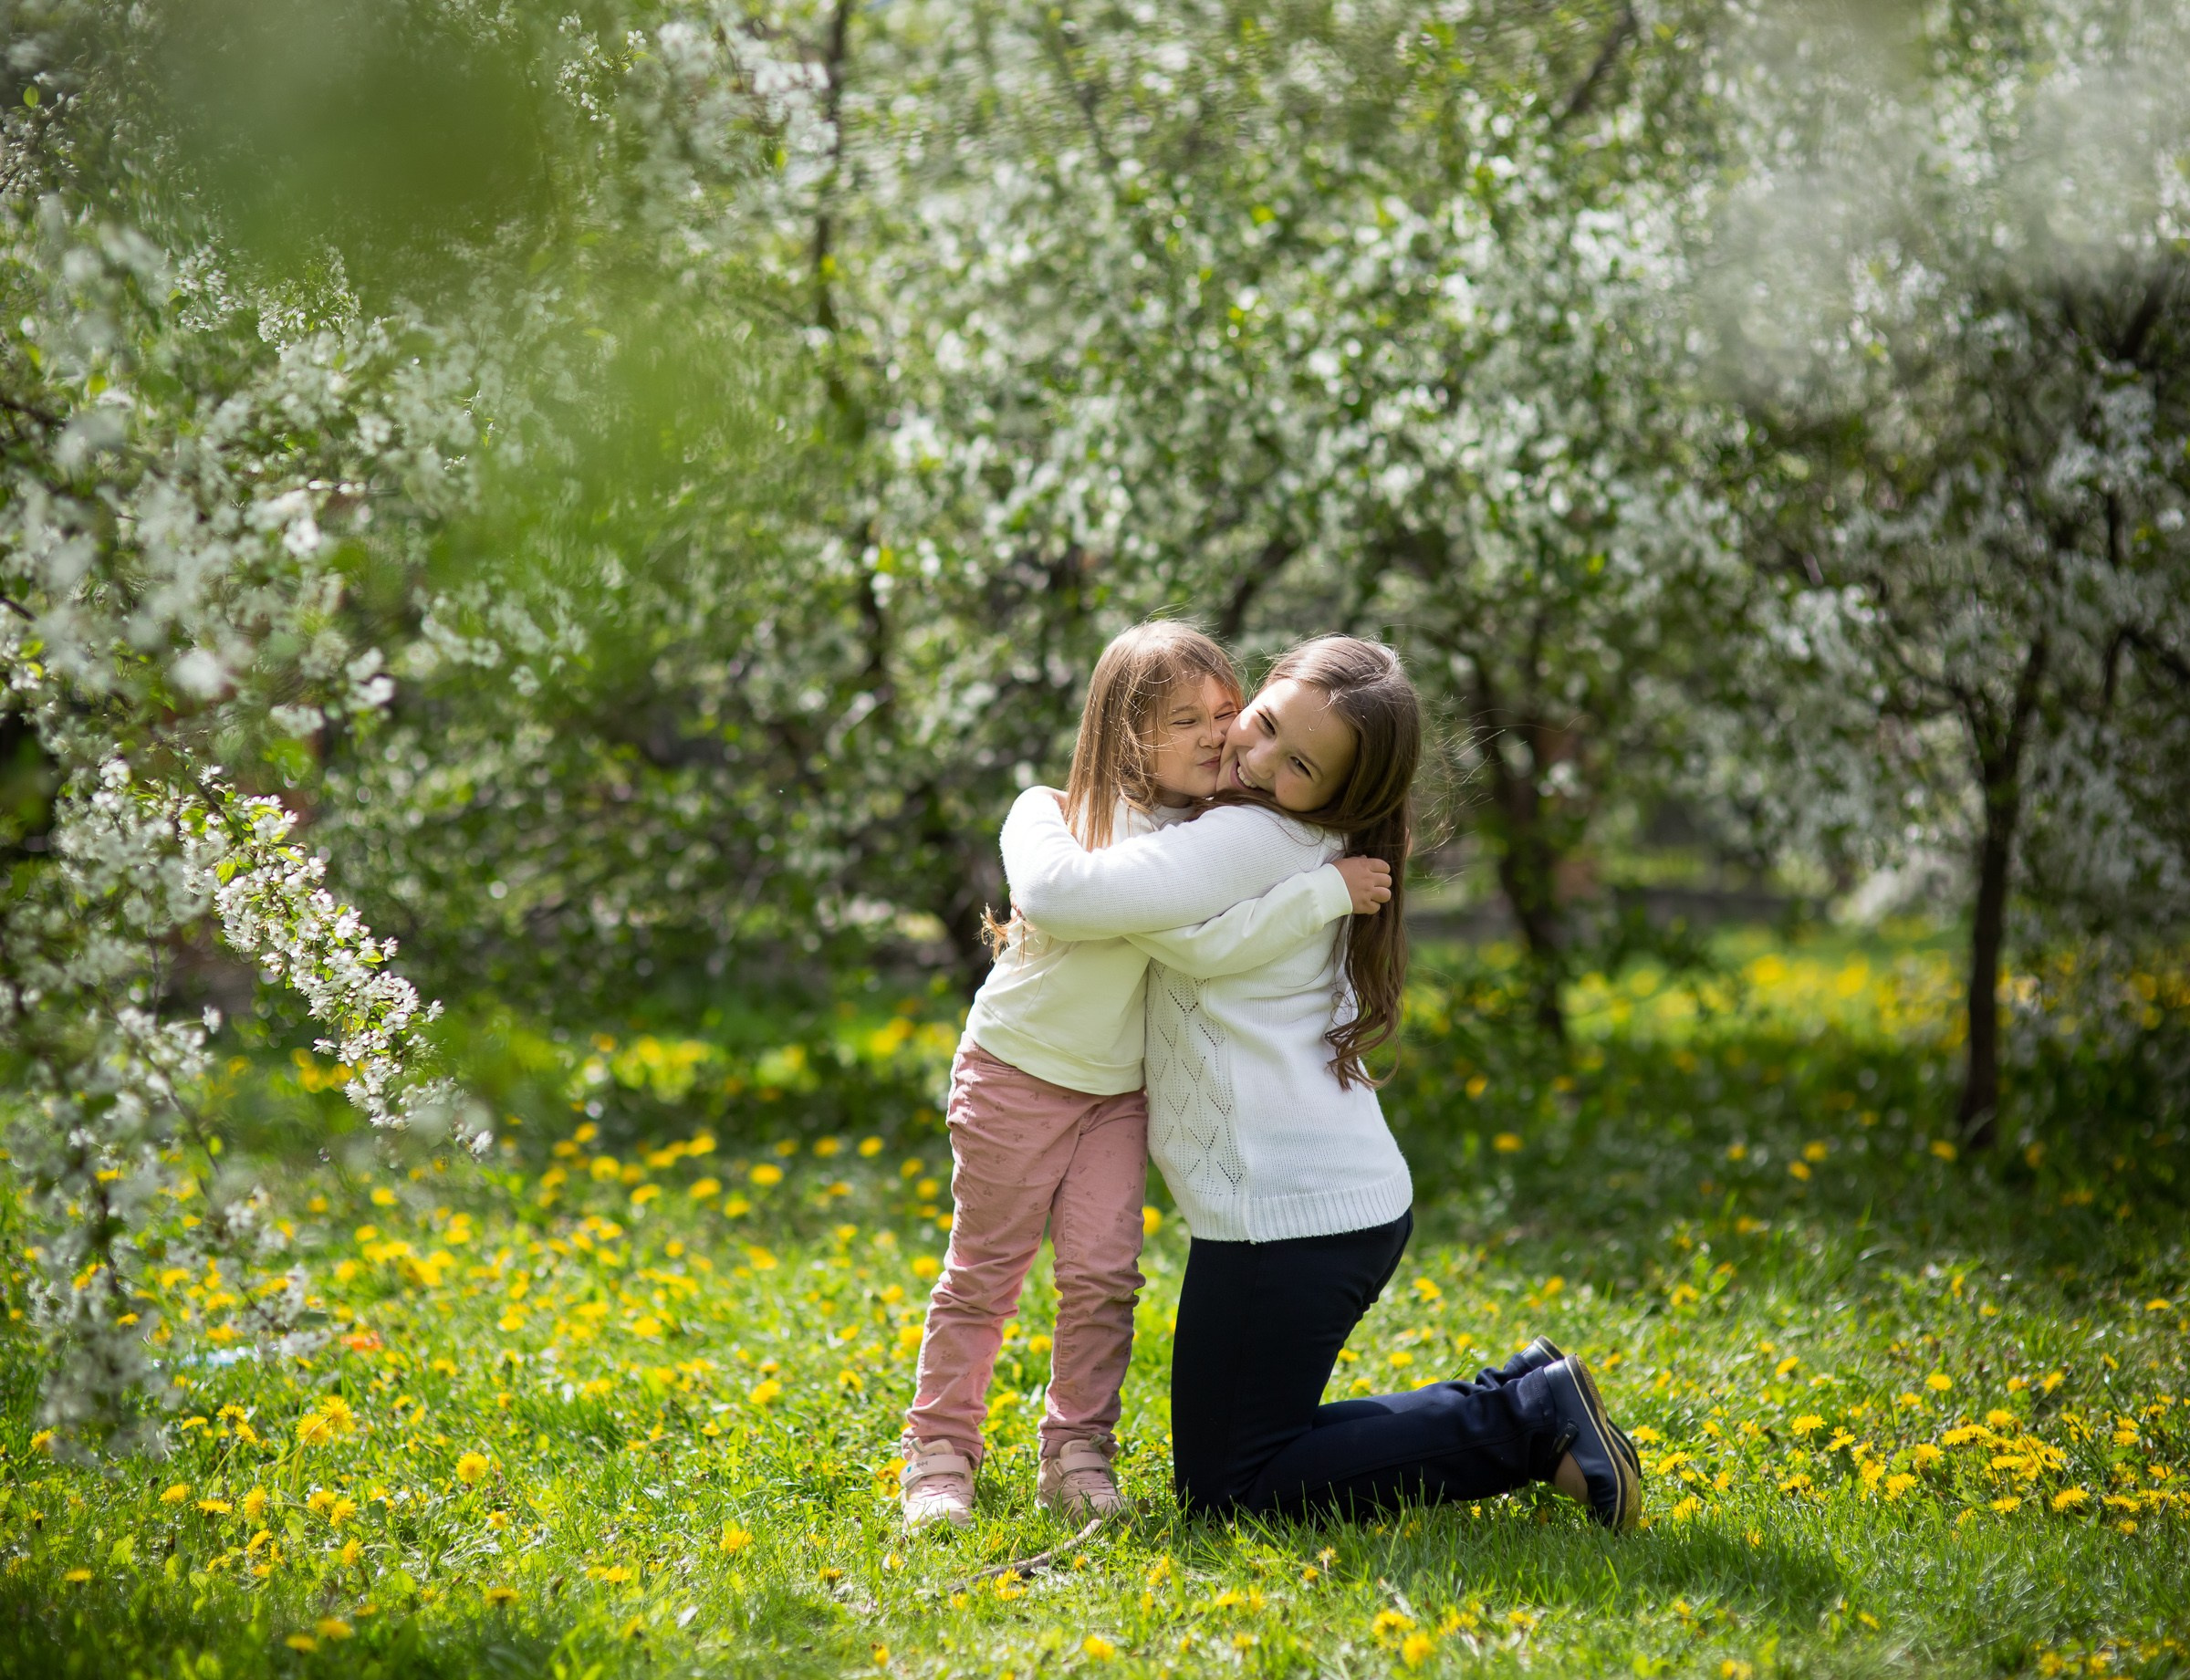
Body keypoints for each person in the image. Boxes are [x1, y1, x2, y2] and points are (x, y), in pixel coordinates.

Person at [1005, 635, 1643, 1528]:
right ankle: (1524, 1398)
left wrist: (1035, 806)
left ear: (1343, 795)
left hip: (1294, 1220)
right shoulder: (1274, 828)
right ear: (1255, 691)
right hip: (1307, 1209)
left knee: (1234, 1489)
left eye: (1300, 764)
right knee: (1246, 1462)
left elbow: (1060, 894)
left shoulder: (1250, 835)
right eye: (1263, 724)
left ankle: (1526, 1421)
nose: (1260, 761)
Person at [898, 622, 1393, 1531]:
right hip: (1016, 1073)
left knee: (1103, 1277)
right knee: (986, 1272)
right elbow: (1071, 894)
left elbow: (1213, 945)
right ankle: (940, 1451)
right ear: (1124, 732)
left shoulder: (1208, 837)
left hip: (1119, 1095)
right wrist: (1323, 889)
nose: (1218, 735)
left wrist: (1321, 892)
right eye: (1184, 719)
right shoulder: (1063, 818)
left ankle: (1077, 1448)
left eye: (1223, 710)